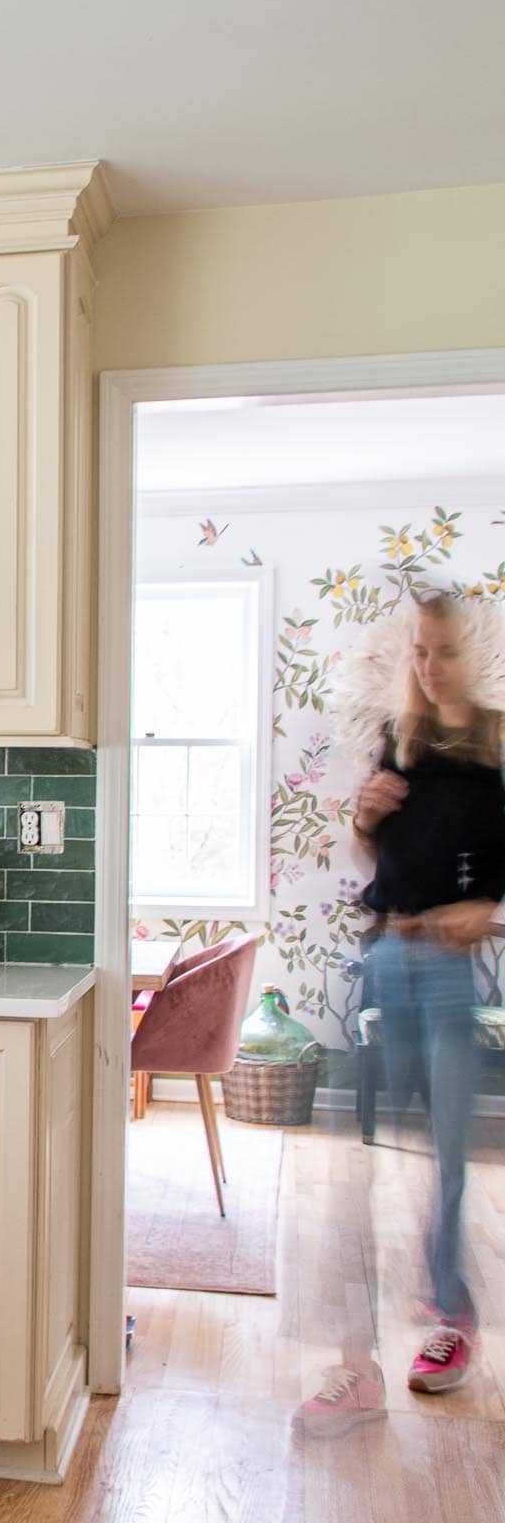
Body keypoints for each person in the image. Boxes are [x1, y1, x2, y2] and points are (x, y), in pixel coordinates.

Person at [294, 592, 505, 1436]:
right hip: (384, 959)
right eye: (420, 650)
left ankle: (451, 1322)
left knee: (448, 1157)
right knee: (353, 1162)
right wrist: (364, 816)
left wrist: (487, 905)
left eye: (442, 651)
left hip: (452, 975)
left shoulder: (494, 747)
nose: (427, 664)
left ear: (471, 653)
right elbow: (372, 853)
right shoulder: (401, 740)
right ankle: (357, 1363)